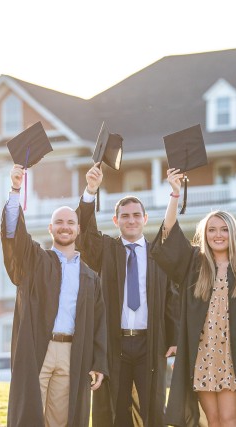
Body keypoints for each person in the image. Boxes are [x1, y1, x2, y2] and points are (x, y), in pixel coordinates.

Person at [151, 168, 236, 427]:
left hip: (235, 354)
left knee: (230, 419)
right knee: (213, 420)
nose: (218, 235)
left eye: (224, 229)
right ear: (204, 234)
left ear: (233, 233)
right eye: (212, 230)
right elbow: (168, 235)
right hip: (203, 353)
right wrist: (174, 194)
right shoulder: (195, 264)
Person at [1, 165, 107, 427]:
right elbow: (15, 236)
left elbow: (98, 322)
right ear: (50, 229)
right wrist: (16, 190)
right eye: (59, 222)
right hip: (39, 348)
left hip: (72, 352)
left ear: (78, 229)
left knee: (61, 420)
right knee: (30, 417)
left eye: (70, 222)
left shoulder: (90, 275)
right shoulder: (37, 260)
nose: (65, 227)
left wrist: (97, 361)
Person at [77, 163, 180, 427]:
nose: (131, 220)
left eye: (136, 215)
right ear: (116, 221)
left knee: (153, 410)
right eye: (125, 216)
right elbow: (85, 234)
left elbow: (171, 297)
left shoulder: (157, 254)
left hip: (150, 343)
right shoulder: (107, 250)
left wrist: (174, 336)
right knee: (115, 412)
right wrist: (91, 190)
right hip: (115, 343)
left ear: (145, 219)